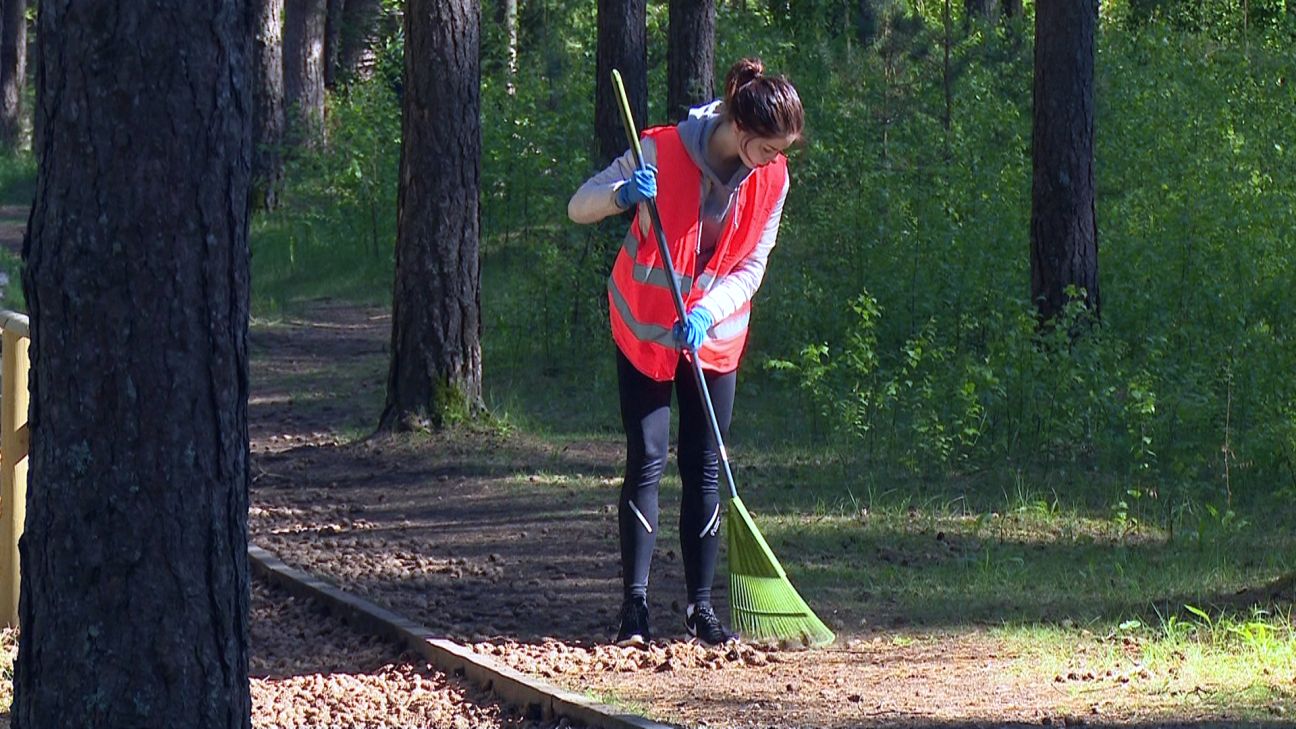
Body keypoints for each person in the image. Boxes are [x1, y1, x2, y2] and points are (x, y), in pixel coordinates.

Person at [567, 57, 803, 647]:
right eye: (770, 148)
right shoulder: (662, 150)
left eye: (781, 152)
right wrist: (623, 194)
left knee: (703, 464)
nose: (776, 161)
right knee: (646, 457)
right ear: (741, 131)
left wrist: (707, 311)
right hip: (644, 328)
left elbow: (752, 267)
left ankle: (701, 610)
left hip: (713, 337)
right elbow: (579, 205)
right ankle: (635, 611)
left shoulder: (773, 180)